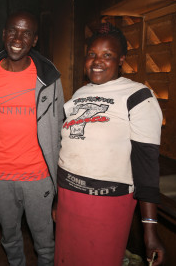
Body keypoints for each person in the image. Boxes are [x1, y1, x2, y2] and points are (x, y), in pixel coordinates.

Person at [53, 22, 165, 266]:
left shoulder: (137, 96)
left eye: (107, 55)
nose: (97, 61)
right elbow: (68, 148)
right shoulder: (79, 94)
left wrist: (150, 229)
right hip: (68, 198)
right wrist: (56, 201)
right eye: (92, 54)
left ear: (121, 59)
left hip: (106, 203)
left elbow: (146, 166)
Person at [0, 10, 64, 266]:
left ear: (35, 40)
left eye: (26, 33)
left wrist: (60, 180)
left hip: (40, 179)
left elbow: (59, 130)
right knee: (10, 240)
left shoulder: (50, 78)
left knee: (45, 244)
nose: (18, 38)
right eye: (13, 30)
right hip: (1, 181)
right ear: (4, 34)